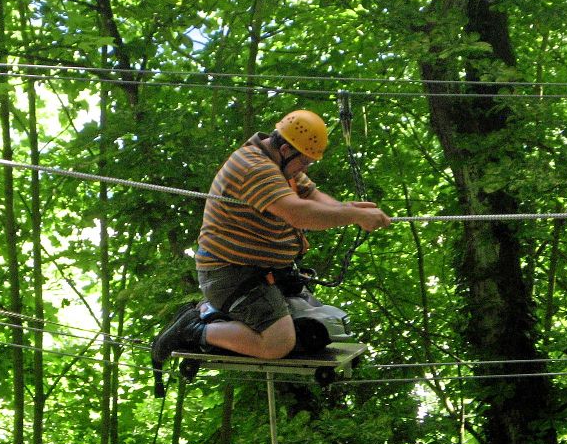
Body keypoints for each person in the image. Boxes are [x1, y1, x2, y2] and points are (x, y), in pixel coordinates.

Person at [152, 109, 390, 365]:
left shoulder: (280, 163)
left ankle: (214, 314)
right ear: (287, 149)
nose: (306, 167)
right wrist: (352, 215)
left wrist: (347, 210)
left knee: (314, 328)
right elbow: (297, 213)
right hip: (231, 273)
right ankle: (193, 330)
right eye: (305, 161)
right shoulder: (255, 167)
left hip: (261, 270)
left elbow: (311, 196)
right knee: (278, 342)